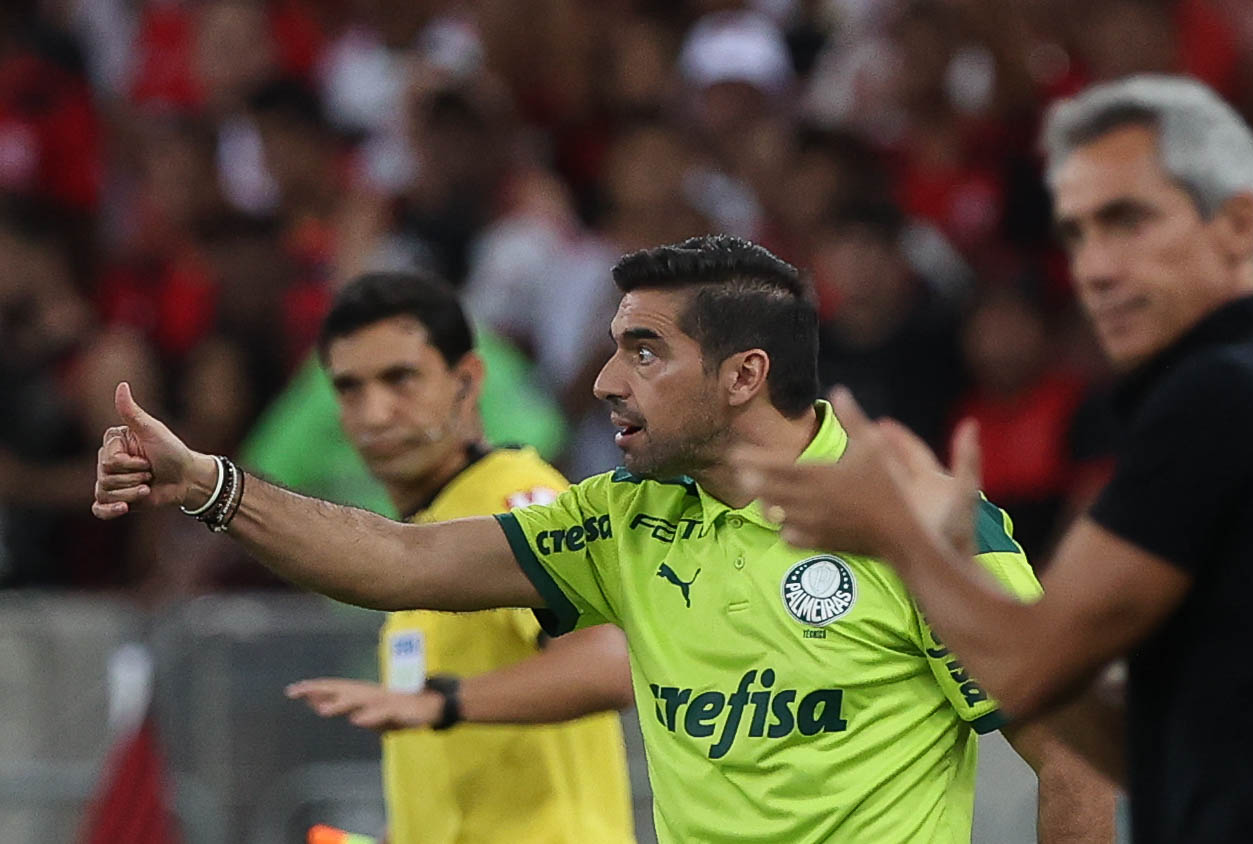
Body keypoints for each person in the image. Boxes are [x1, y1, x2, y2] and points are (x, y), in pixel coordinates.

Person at [91, 236, 1115, 843]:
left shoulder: (919, 525)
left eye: (644, 351)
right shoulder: (626, 520)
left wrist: (450, 703)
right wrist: (207, 485)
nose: (602, 382)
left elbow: (1070, 760)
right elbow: (400, 560)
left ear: (745, 375)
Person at [732, 75, 1253, 843]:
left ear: (1240, 224)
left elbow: (1026, 667)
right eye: (1079, 234)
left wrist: (895, 534)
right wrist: (951, 558)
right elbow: (1138, 744)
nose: (1097, 269)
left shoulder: (1225, 404)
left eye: (1128, 221)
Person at [275, 272, 635, 844]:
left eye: (401, 379)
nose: (374, 414)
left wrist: (442, 703)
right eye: (350, 388)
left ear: (467, 381)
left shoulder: (515, 500)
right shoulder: (428, 533)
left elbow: (613, 661)